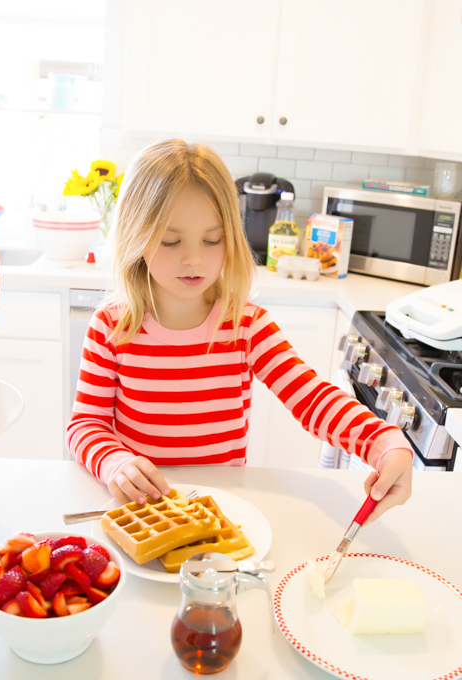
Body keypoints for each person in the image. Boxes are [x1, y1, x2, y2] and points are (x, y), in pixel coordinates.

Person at [67, 139, 413, 526]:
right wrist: (115, 462)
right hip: (143, 511)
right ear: (135, 236)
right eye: (170, 240)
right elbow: (86, 425)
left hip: (221, 510)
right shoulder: (112, 327)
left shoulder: (246, 326)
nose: (194, 258)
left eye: (212, 240)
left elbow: (313, 400)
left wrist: (383, 442)